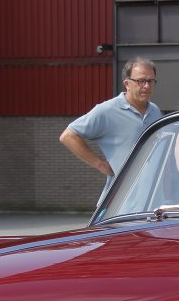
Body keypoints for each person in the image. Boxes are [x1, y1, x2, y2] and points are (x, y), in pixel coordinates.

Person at [60, 59, 162, 197]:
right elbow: (68, 136)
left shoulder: (155, 111)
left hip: (152, 198)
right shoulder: (107, 110)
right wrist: (100, 164)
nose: (147, 86)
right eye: (141, 81)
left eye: (151, 81)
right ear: (127, 84)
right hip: (121, 201)